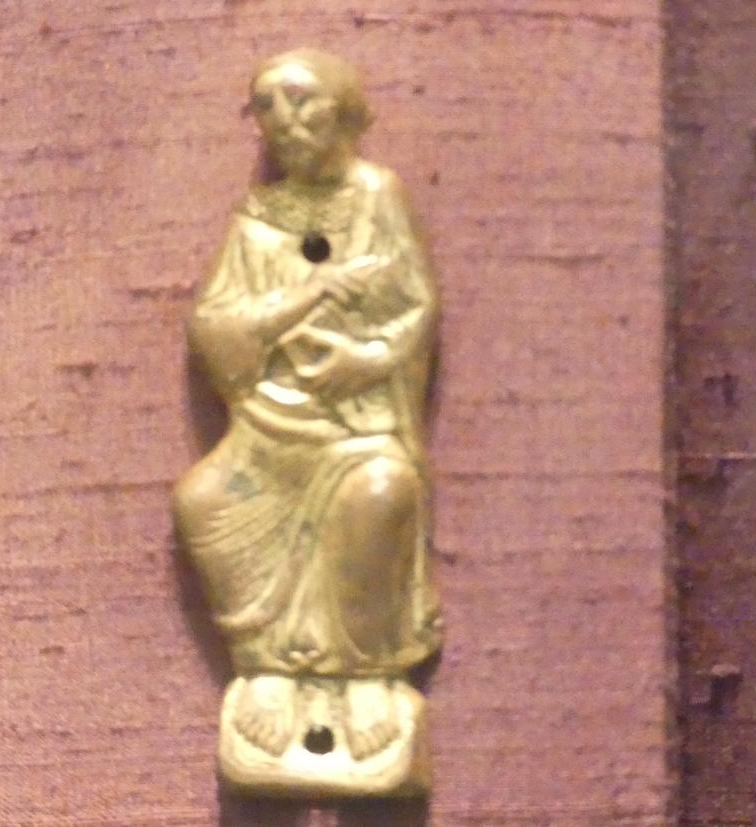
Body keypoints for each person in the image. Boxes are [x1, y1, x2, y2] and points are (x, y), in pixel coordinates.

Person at [175, 48, 441, 763]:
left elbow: (416, 306)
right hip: (268, 428)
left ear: (346, 108)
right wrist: (304, 296)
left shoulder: (378, 197)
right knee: (202, 501)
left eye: (300, 100)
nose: (283, 120)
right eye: (266, 105)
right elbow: (216, 327)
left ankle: (364, 675)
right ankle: (267, 669)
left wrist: (366, 360)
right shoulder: (256, 217)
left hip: (357, 430)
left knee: (379, 494)